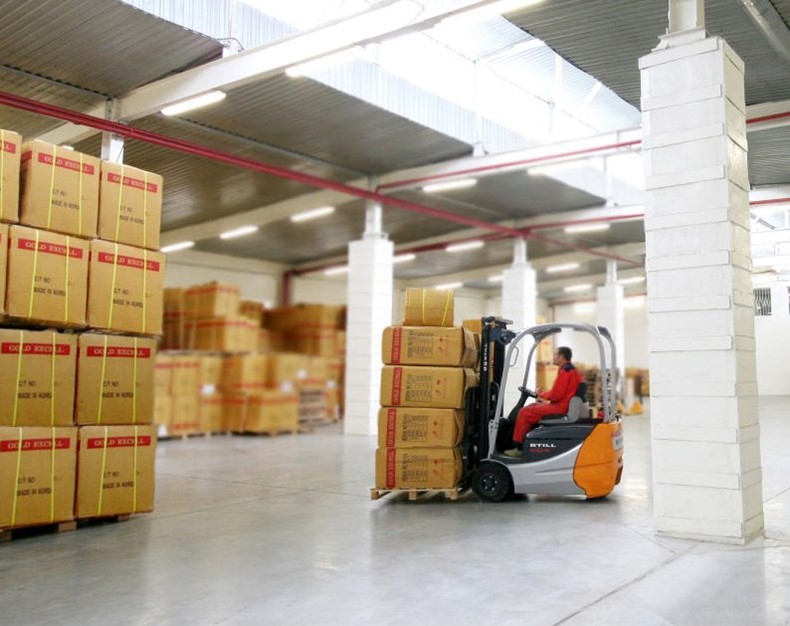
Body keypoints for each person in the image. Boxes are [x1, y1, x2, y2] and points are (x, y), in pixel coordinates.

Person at [505, 346, 583, 456]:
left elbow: (555, 395)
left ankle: (519, 448)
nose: (553, 357)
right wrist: (542, 394)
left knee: (524, 412)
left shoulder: (565, 371)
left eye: (555, 355)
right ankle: (527, 441)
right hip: (563, 405)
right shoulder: (571, 370)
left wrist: (540, 393)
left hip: (560, 407)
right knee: (532, 405)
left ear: (561, 357)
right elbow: (558, 393)